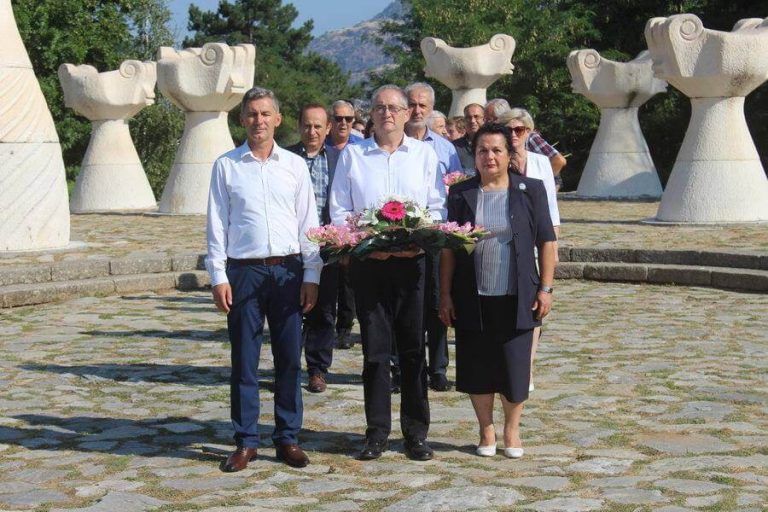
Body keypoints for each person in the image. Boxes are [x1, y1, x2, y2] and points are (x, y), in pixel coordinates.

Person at [206, 87, 322, 472]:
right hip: (244, 271)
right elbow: (217, 224)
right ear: (242, 119)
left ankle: (288, 436)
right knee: (245, 359)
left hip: (288, 270)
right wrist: (218, 275)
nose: (259, 121)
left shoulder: (294, 166)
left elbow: (309, 223)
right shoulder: (226, 166)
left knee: (289, 358)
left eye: (265, 114)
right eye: (252, 114)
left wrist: (312, 273)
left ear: (278, 119)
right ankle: (246, 440)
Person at [329, 84, 446, 461]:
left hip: (412, 263)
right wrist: (360, 244)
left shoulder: (424, 155)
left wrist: (420, 239)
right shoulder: (353, 156)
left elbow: (436, 207)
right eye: (379, 108)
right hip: (370, 266)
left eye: (394, 107)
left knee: (413, 350)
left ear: (406, 113)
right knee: (376, 353)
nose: (387, 114)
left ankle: (416, 433)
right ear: (372, 114)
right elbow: (339, 210)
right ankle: (376, 432)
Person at [438, 123, 556, 459]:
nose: (489, 157)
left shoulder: (530, 190)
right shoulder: (461, 194)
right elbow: (448, 248)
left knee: (515, 365)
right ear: (473, 155)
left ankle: (512, 429)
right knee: (476, 364)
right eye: (482, 151)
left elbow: (547, 241)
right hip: (472, 293)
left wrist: (546, 288)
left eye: (496, 150)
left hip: (519, 293)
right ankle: (486, 428)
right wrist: (444, 294)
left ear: (508, 154)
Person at [404, 82, 462, 392]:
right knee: (405, 301)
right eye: (411, 104)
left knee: (438, 299)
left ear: (430, 109)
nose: (416, 111)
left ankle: (438, 367)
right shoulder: (392, 144)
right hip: (401, 232)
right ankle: (404, 366)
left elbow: (454, 188)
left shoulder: (444, 148)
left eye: (422, 106)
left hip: (436, 233)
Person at [497, 108, 560, 393]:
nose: (513, 135)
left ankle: (527, 367)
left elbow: (551, 208)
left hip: (537, 239)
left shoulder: (540, 162)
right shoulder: (496, 159)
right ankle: (505, 364)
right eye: (508, 130)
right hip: (507, 240)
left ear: (529, 133)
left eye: (519, 130)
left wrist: (553, 244)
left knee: (535, 306)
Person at [287, 103, 341, 394]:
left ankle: (318, 369)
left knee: (323, 310)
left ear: (328, 128)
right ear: (299, 126)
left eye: (318, 126)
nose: (312, 131)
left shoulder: (339, 159)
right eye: (307, 125)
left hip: (326, 245)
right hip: (291, 245)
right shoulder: (284, 157)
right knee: (290, 309)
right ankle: (288, 365)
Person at [326, 100, 361, 349]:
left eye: (349, 119)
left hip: (351, 224)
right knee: (327, 279)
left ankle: (345, 327)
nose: (344, 123)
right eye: (339, 119)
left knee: (349, 280)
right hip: (324, 223)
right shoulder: (322, 147)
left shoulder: (360, 148)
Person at [485, 98, 567, 190]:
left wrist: (540, 181)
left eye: (491, 119)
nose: (488, 123)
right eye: (486, 120)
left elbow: (559, 160)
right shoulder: (497, 139)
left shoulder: (530, 137)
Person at [453, 103, 485, 171]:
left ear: (484, 119)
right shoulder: (454, 147)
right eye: (468, 117)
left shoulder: (492, 144)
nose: (472, 121)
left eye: (476, 117)